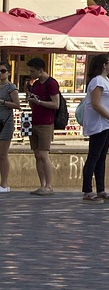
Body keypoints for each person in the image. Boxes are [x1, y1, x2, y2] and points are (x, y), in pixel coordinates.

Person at [82, 53, 109, 203]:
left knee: (101, 157)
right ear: (104, 65)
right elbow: (96, 104)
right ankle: (87, 190)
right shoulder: (97, 81)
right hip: (99, 124)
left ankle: (101, 189)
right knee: (94, 156)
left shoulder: (106, 80)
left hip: (107, 124)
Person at [25, 57, 59, 195]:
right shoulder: (37, 84)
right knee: (37, 154)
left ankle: (49, 185)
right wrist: (31, 99)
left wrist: (39, 102)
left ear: (40, 70)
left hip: (46, 122)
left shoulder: (51, 83)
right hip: (35, 121)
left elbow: (56, 104)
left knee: (44, 154)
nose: (30, 74)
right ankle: (42, 184)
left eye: (32, 71)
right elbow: (34, 104)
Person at [0, 62, 17, 193]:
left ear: (8, 72)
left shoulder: (11, 87)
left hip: (5, 122)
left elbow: (17, 105)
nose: (1, 73)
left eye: (3, 71)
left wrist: (3, 102)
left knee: (3, 154)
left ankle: (4, 183)